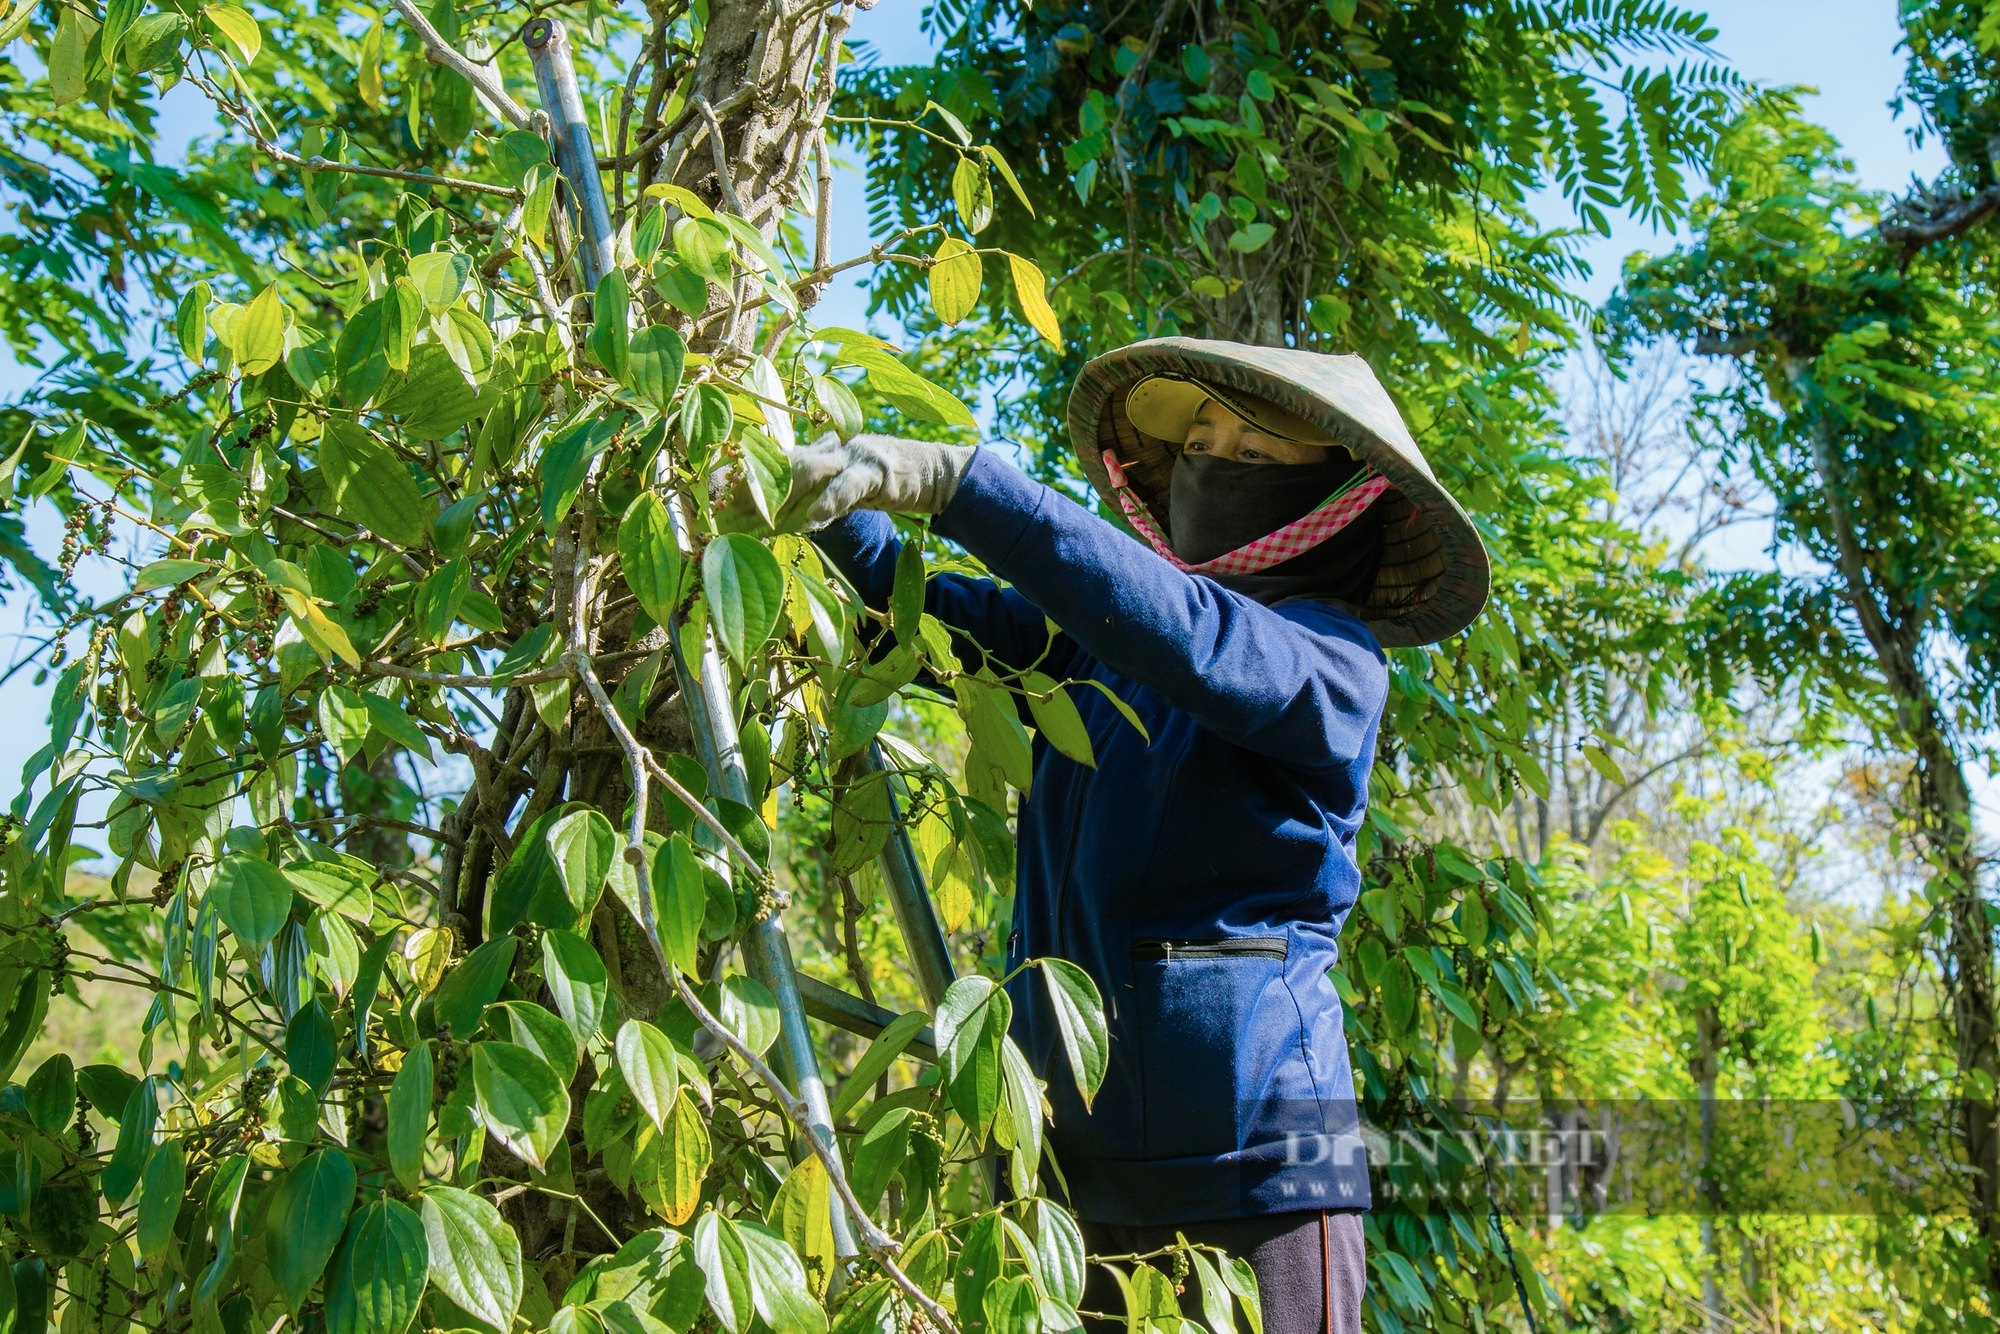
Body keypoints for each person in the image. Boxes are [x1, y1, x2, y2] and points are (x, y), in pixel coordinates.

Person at [787, 338, 1490, 1334]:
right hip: (1065, 1174)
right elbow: (911, 619)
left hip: (1252, 1175)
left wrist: (962, 484)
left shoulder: (1331, 664)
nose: (1211, 463)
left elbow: (1199, 643)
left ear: (1336, 502)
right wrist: (824, 498)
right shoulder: (1088, 653)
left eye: (1251, 453)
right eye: (1198, 443)